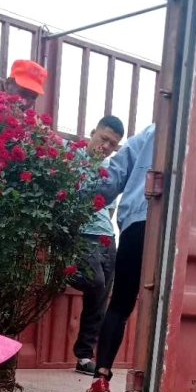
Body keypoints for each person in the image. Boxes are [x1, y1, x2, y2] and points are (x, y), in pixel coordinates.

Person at [85, 123, 156, 392]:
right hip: (177, 226)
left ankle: (101, 378)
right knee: (162, 308)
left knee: (121, 303)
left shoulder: (151, 133)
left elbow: (113, 177)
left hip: (138, 222)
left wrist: (80, 200)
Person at [72, 115, 125, 374]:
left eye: (112, 144)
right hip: (82, 234)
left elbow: (110, 209)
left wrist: (108, 233)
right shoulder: (72, 160)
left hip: (106, 237)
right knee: (95, 283)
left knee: (101, 298)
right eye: (103, 139)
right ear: (93, 133)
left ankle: (84, 356)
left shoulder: (110, 171)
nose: (106, 146)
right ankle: (63, 271)